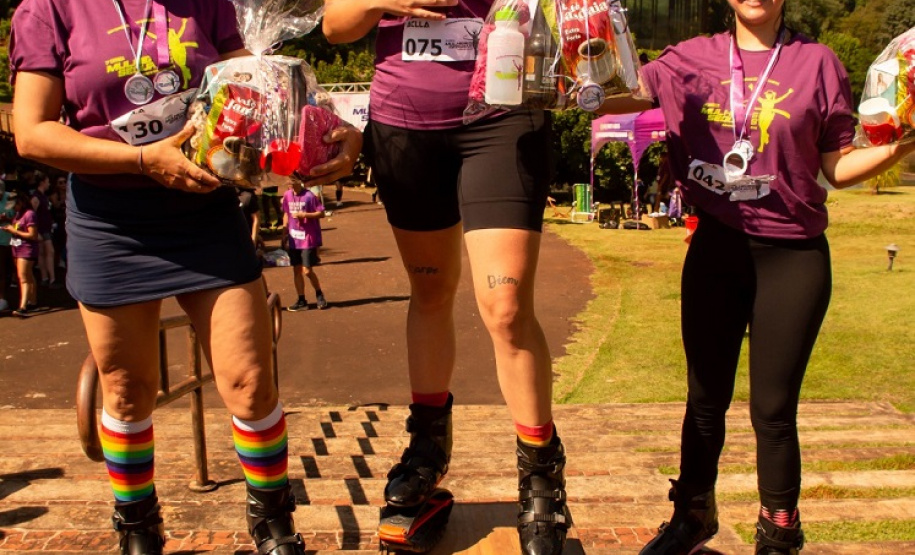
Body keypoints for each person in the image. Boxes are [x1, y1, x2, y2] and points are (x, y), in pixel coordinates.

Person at [10, 2, 360, 554]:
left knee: (249, 380)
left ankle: (273, 521)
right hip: (111, 217)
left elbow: (261, 84)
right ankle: (138, 528)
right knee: (127, 389)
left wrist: (329, 122)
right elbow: (31, 133)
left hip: (203, 208)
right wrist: (145, 161)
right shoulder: (48, 8)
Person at [596, 1, 915, 553]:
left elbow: (835, 166)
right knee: (704, 398)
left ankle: (779, 531)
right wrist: (574, 67)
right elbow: (615, 92)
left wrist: (901, 145)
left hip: (793, 255)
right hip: (717, 248)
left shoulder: (817, 62)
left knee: (772, 408)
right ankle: (693, 514)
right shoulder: (686, 60)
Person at [323, 3, 569, 555]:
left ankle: (540, 476)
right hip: (404, 126)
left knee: (505, 306)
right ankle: (427, 449)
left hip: (501, 117)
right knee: (430, 289)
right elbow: (336, 25)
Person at [282, 175, 327, 311]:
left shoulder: (309, 195)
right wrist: (284, 234)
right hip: (293, 238)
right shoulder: (287, 195)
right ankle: (302, 300)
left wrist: (304, 215)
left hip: (307, 238)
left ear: (299, 181)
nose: (290, 182)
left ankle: (319, 294)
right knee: (296, 270)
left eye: (293, 180)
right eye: (288, 180)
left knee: (307, 271)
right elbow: (286, 214)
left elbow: (321, 213)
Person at [3, 191, 40, 317]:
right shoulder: (19, 214)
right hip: (17, 248)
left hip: (27, 249)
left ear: (21, 202)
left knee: (23, 277)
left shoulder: (30, 214)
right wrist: (8, 223)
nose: (14, 208)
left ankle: (23, 306)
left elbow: (33, 235)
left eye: (15, 205)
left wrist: (14, 231)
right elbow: (19, 227)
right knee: (28, 275)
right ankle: (33, 300)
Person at [30, 170, 57, 287]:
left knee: (44, 253)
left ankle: (46, 278)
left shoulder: (43, 196)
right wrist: (36, 231)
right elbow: (32, 215)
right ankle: (50, 278)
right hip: (41, 229)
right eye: (47, 182)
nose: (49, 184)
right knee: (48, 252)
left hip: (46, 227)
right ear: (42, 182)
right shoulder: (36, 197)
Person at [0, 180, 15, 313]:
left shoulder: (10, 196)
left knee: (3, 270)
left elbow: (15, 216)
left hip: (6, 238)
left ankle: (3, 298)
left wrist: (5, 217)